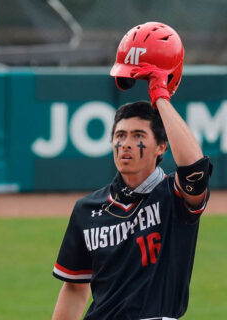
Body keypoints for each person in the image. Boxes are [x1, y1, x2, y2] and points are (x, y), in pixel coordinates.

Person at [52, 22, 212, 320]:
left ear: (161, 146)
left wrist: (160, 95)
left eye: (139, 136)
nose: (126, 144)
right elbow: (74, 289)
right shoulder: (87, 209)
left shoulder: (173, 198)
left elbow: (195, 170)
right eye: (121, 135)